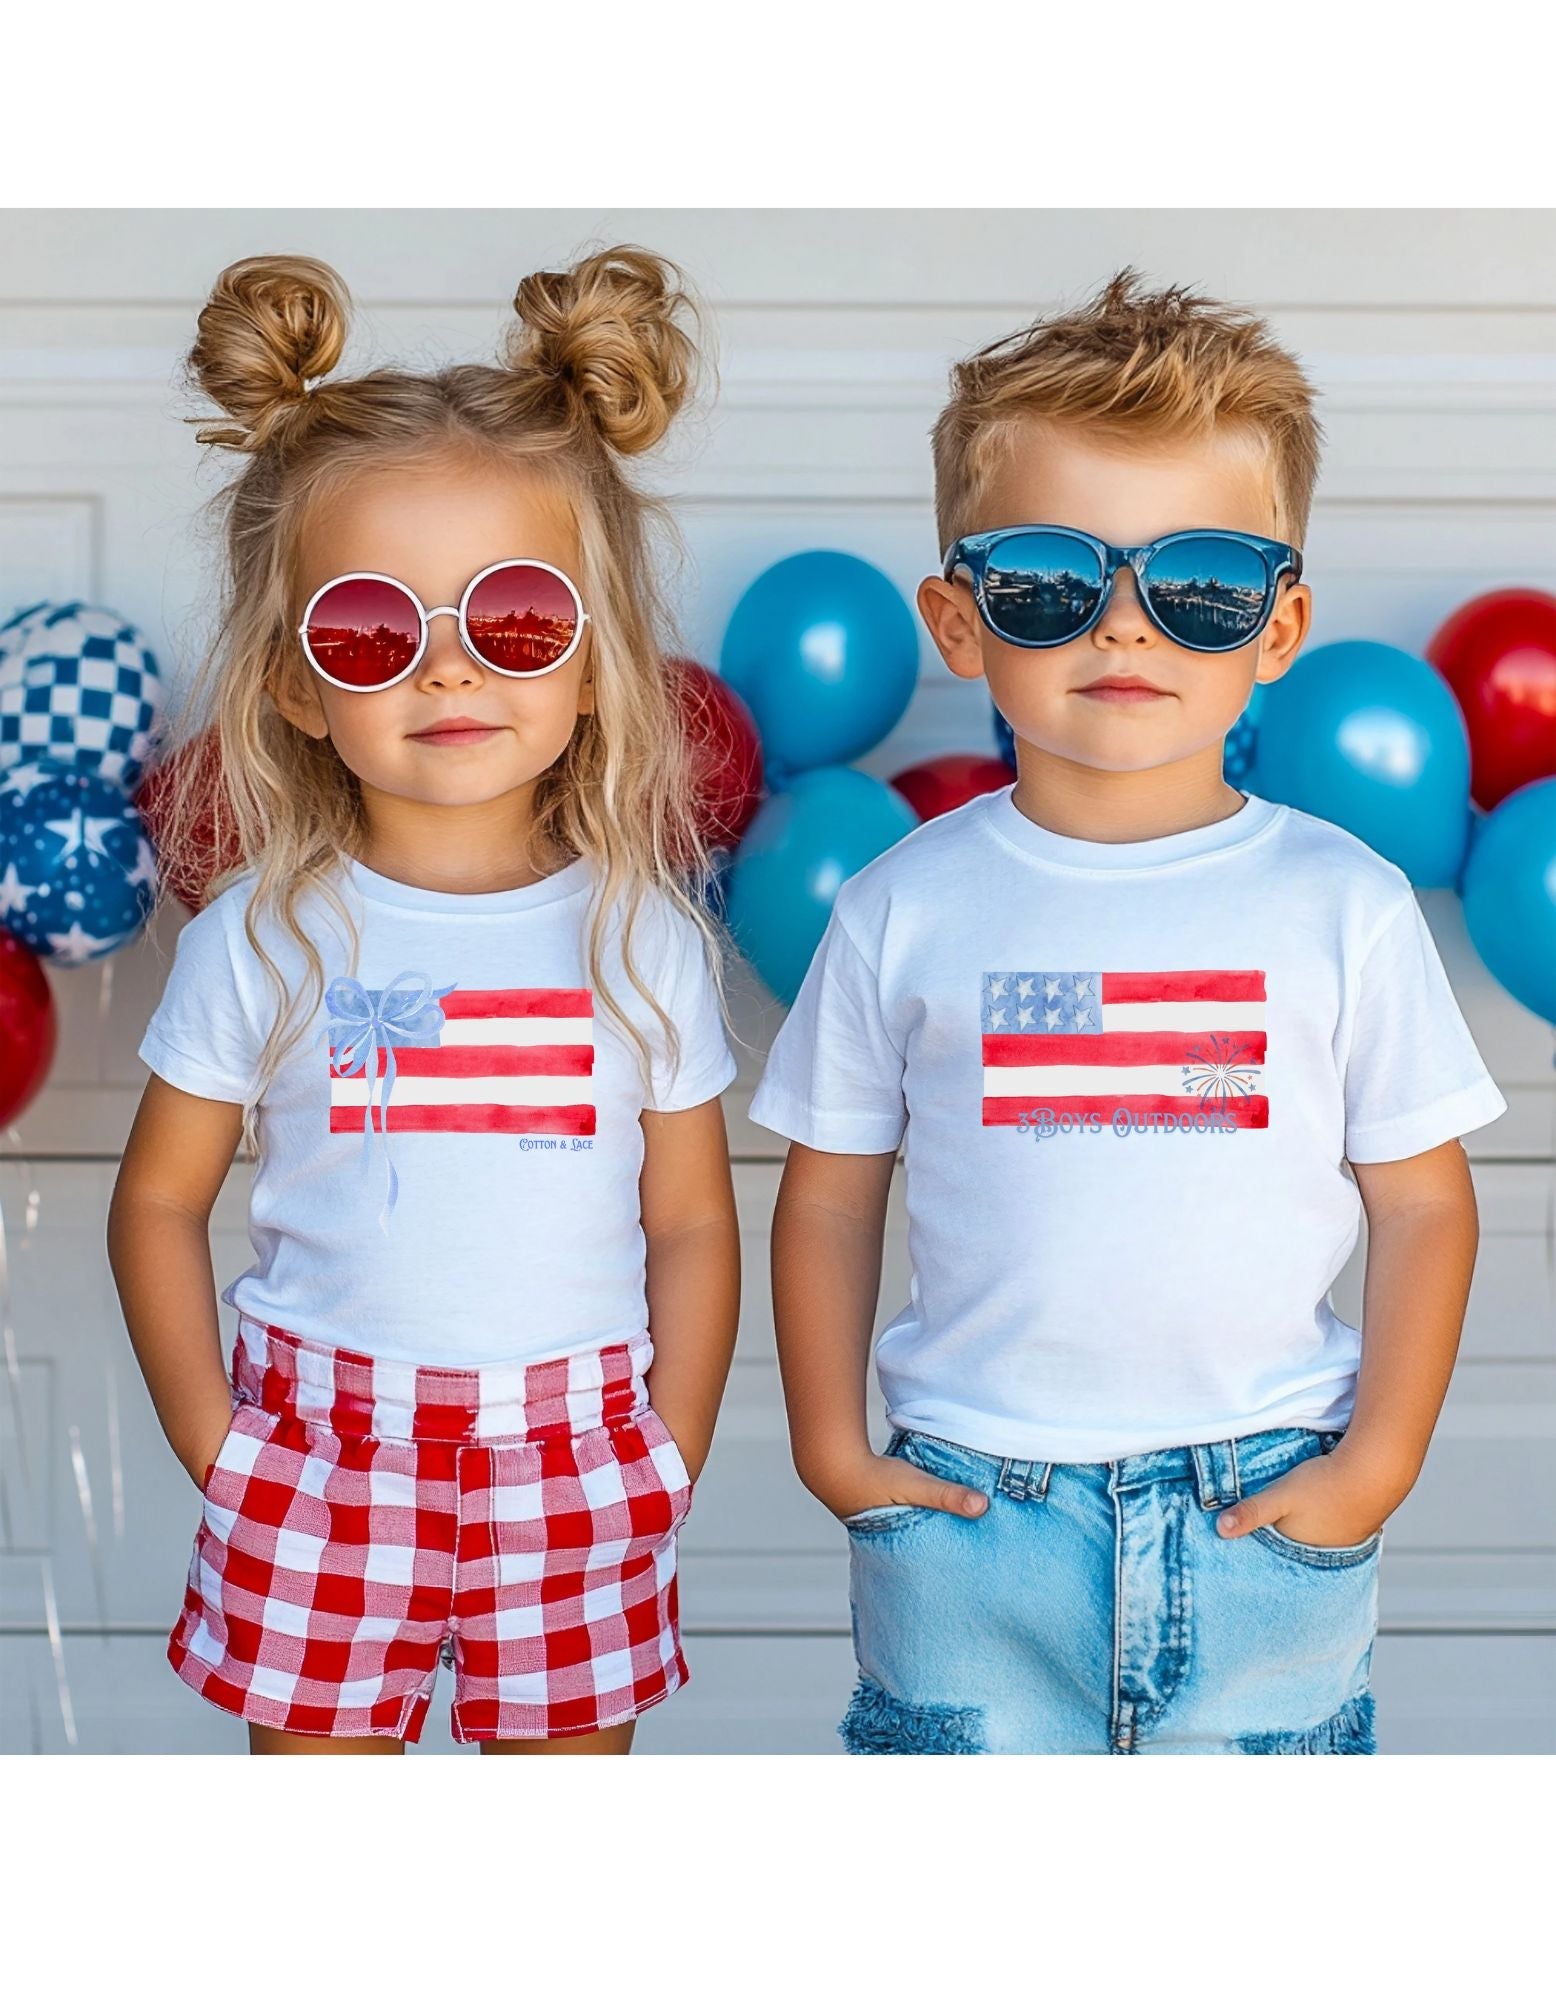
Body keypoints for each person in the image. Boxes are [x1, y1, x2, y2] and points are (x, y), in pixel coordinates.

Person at [750, 271, 1507, 1754]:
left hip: (1264, 1507)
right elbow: (832, 1195)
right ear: (959, 624)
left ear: (1278, 629)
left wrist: (1379, 1463)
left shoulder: (1341, 903)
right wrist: (830, 1441)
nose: (1125, 627)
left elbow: (1424, 1204)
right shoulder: (903, 904)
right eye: (1048, 580)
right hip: (974, 1509)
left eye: (1201, 583)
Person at [108, 246, 740, 1755]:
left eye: (514, 619)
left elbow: (694, 1222)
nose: (450, 671)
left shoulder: (639, 931)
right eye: (374, 632)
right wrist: (223, 1447)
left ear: (590, 665)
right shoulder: (265, 936)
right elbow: (156, 1205)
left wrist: (670, 1453)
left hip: (576, 1456)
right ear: (295, 684)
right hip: (320, 1455)